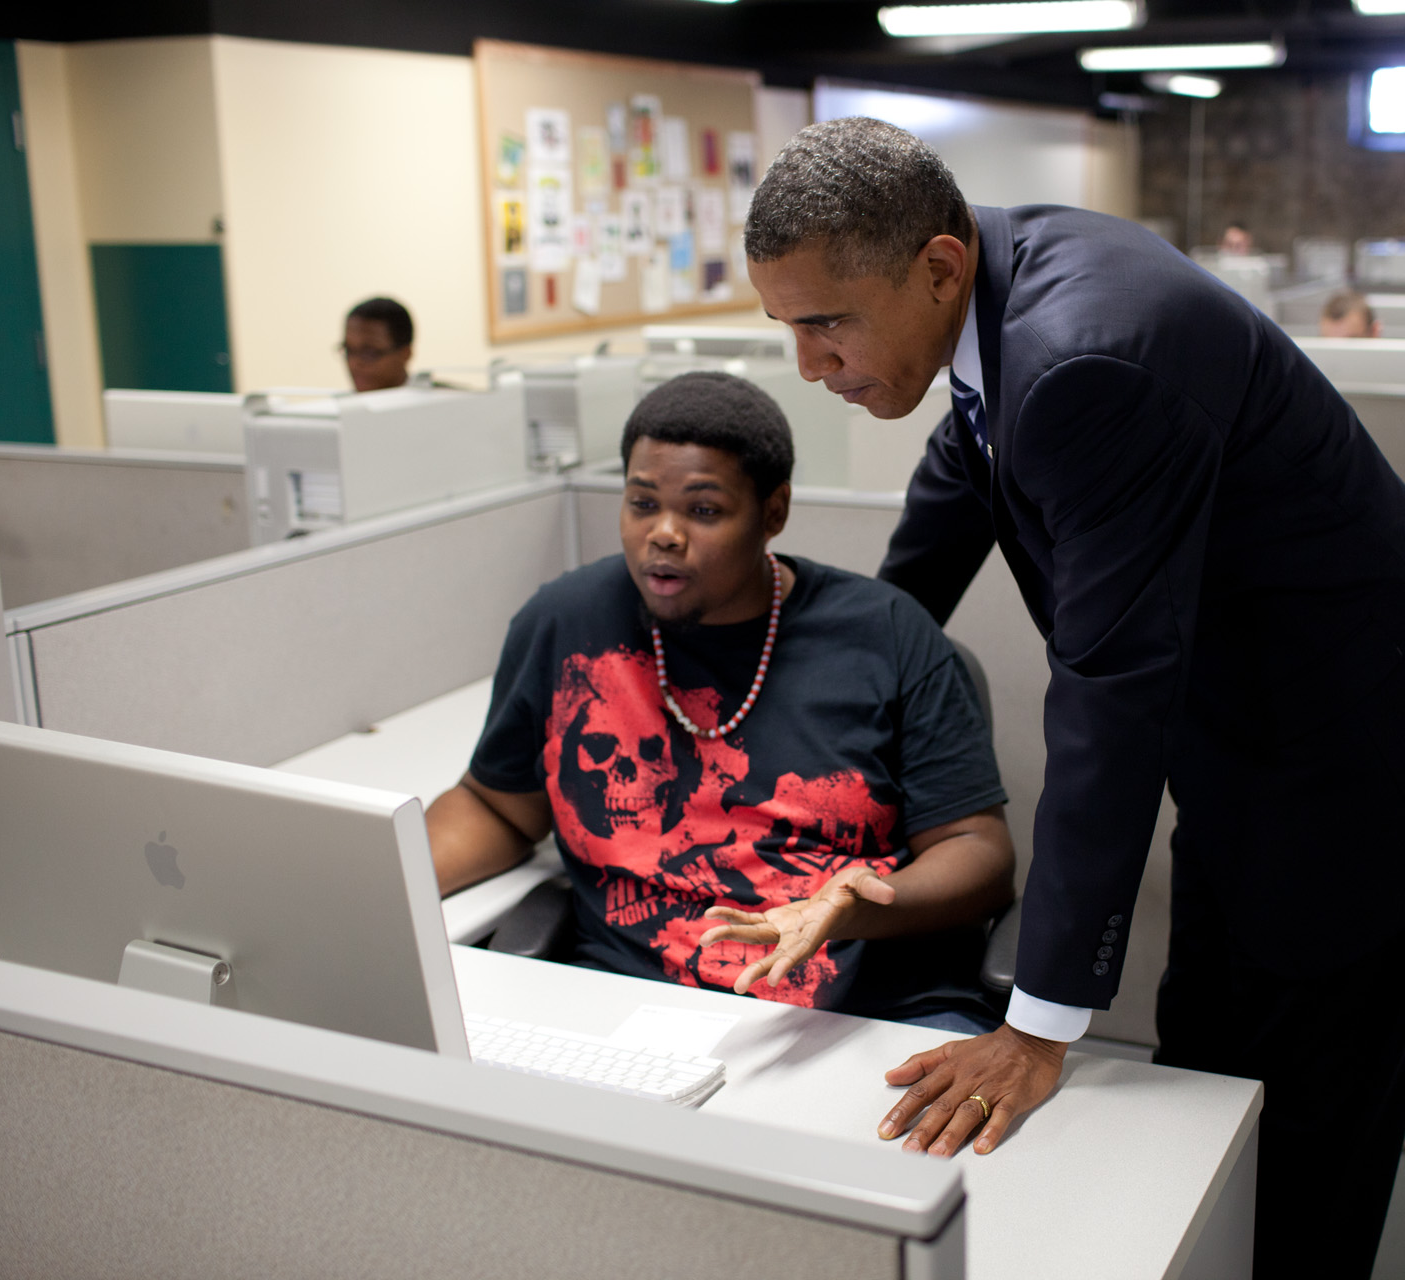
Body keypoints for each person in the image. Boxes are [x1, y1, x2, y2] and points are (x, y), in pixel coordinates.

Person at [745, 118, 1405, 1279]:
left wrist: (1037, 1022)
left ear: (938, 269)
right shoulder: (987, 299)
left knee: (1311, 1142)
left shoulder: (1081, 358)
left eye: (826, 323)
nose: (810, 365)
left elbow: (1109, 692)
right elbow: (958, 488)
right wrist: (824, 704)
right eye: (787, 327)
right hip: (1251, 747)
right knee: (1205, 1066)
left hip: (1367, 766)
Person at [426, 371, 1014, 1031]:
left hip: (866, 1011)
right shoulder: (566, 622)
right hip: (631, 1001)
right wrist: (375, 881)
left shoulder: (887, 635)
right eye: (642, 503)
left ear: (773, 512)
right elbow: (498, 806)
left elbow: (978, 852)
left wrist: (863, 902)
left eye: (704, 510)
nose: (665, 534)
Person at [341, 296, 414, 392]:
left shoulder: (435, 403)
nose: (354, 363)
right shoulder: (342, 404)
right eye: (349, 350)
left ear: (405, 353)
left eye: (369, 352)